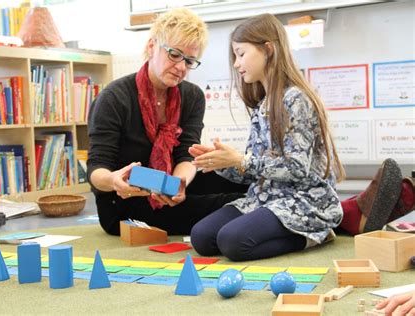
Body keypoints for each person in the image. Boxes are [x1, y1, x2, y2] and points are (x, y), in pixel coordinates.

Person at [189, 13, 414, 261]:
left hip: (302, 201)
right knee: (202, 237)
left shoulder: (294, 99)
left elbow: (296, 168)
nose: (236, 63)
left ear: (268, 50)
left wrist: (241, 160)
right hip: (264, 199)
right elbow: (255, 172)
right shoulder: (262, 105)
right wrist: (222, 163)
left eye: (241, 54)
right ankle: (314, 228)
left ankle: (320, 231)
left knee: (232, 242)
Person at [87, 8, 246, 236]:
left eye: (190, 61)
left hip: (168, 184)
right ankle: (268, 212)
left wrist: (180, 182)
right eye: (174, 54)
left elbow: (186, 154)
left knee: (243, 183)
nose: (181, 67)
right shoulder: (114, 98)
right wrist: (113, 180)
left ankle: (275, 207)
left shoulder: (192, 96)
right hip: (125, 202)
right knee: (230, 202)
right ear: (152, 47)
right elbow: (96, 167)